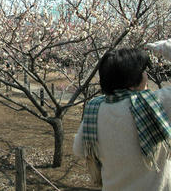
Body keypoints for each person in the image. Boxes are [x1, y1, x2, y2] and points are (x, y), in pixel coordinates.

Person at [73, 48, 171, 191]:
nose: (146, 75)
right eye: (143, 70)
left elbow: (79, 149)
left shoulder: (95, 109)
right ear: (132, 79)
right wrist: (166, 49)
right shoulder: (156, 102)